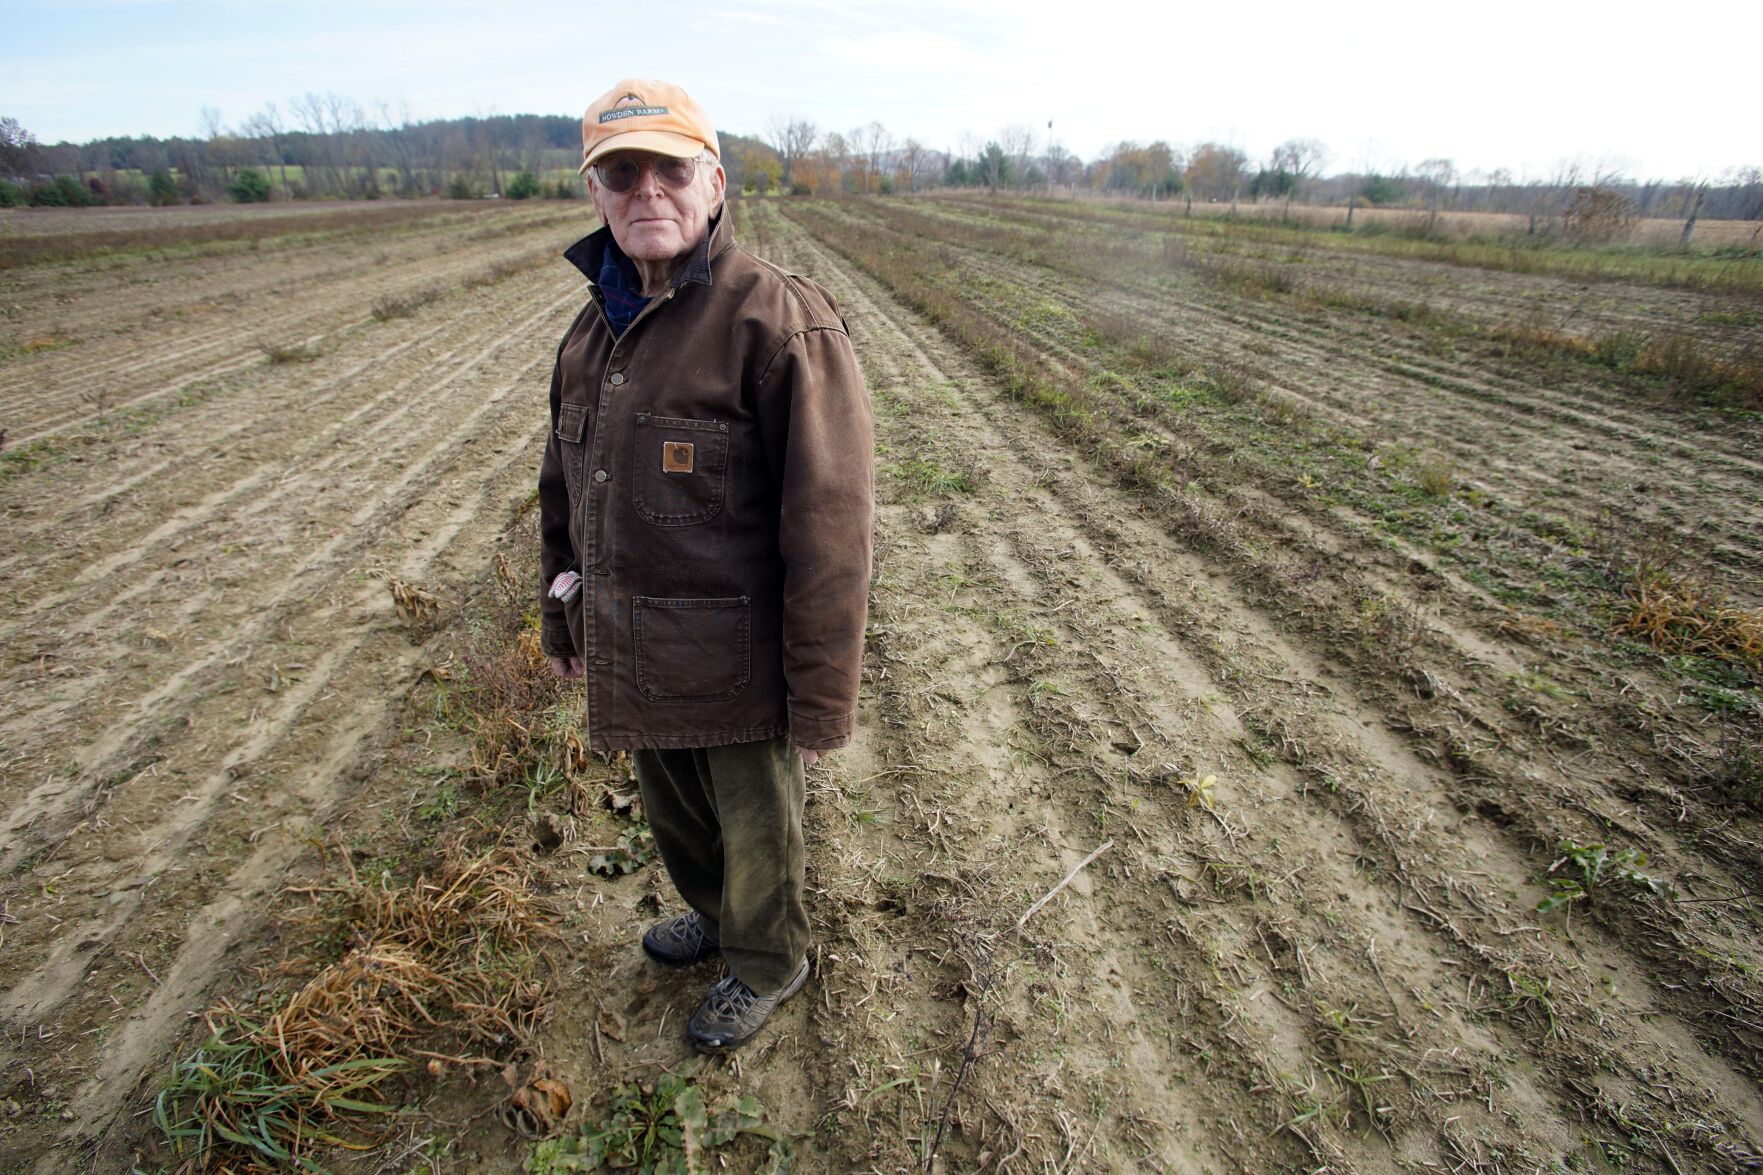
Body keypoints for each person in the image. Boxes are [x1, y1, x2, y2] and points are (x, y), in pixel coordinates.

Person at [536, 79, 873, 1053]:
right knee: (677, 817)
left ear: (713, 182)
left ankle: (768, 958)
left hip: (739, 660)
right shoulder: (591, 330)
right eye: (619, 172)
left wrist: (819, 697)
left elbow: (831, 528)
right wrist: (563, 616)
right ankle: (716, 919)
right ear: (595, 194)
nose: (646, 190)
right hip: (637, 641)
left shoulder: (775, 319)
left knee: (757, 830)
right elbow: (567, 487)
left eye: (668, 168)